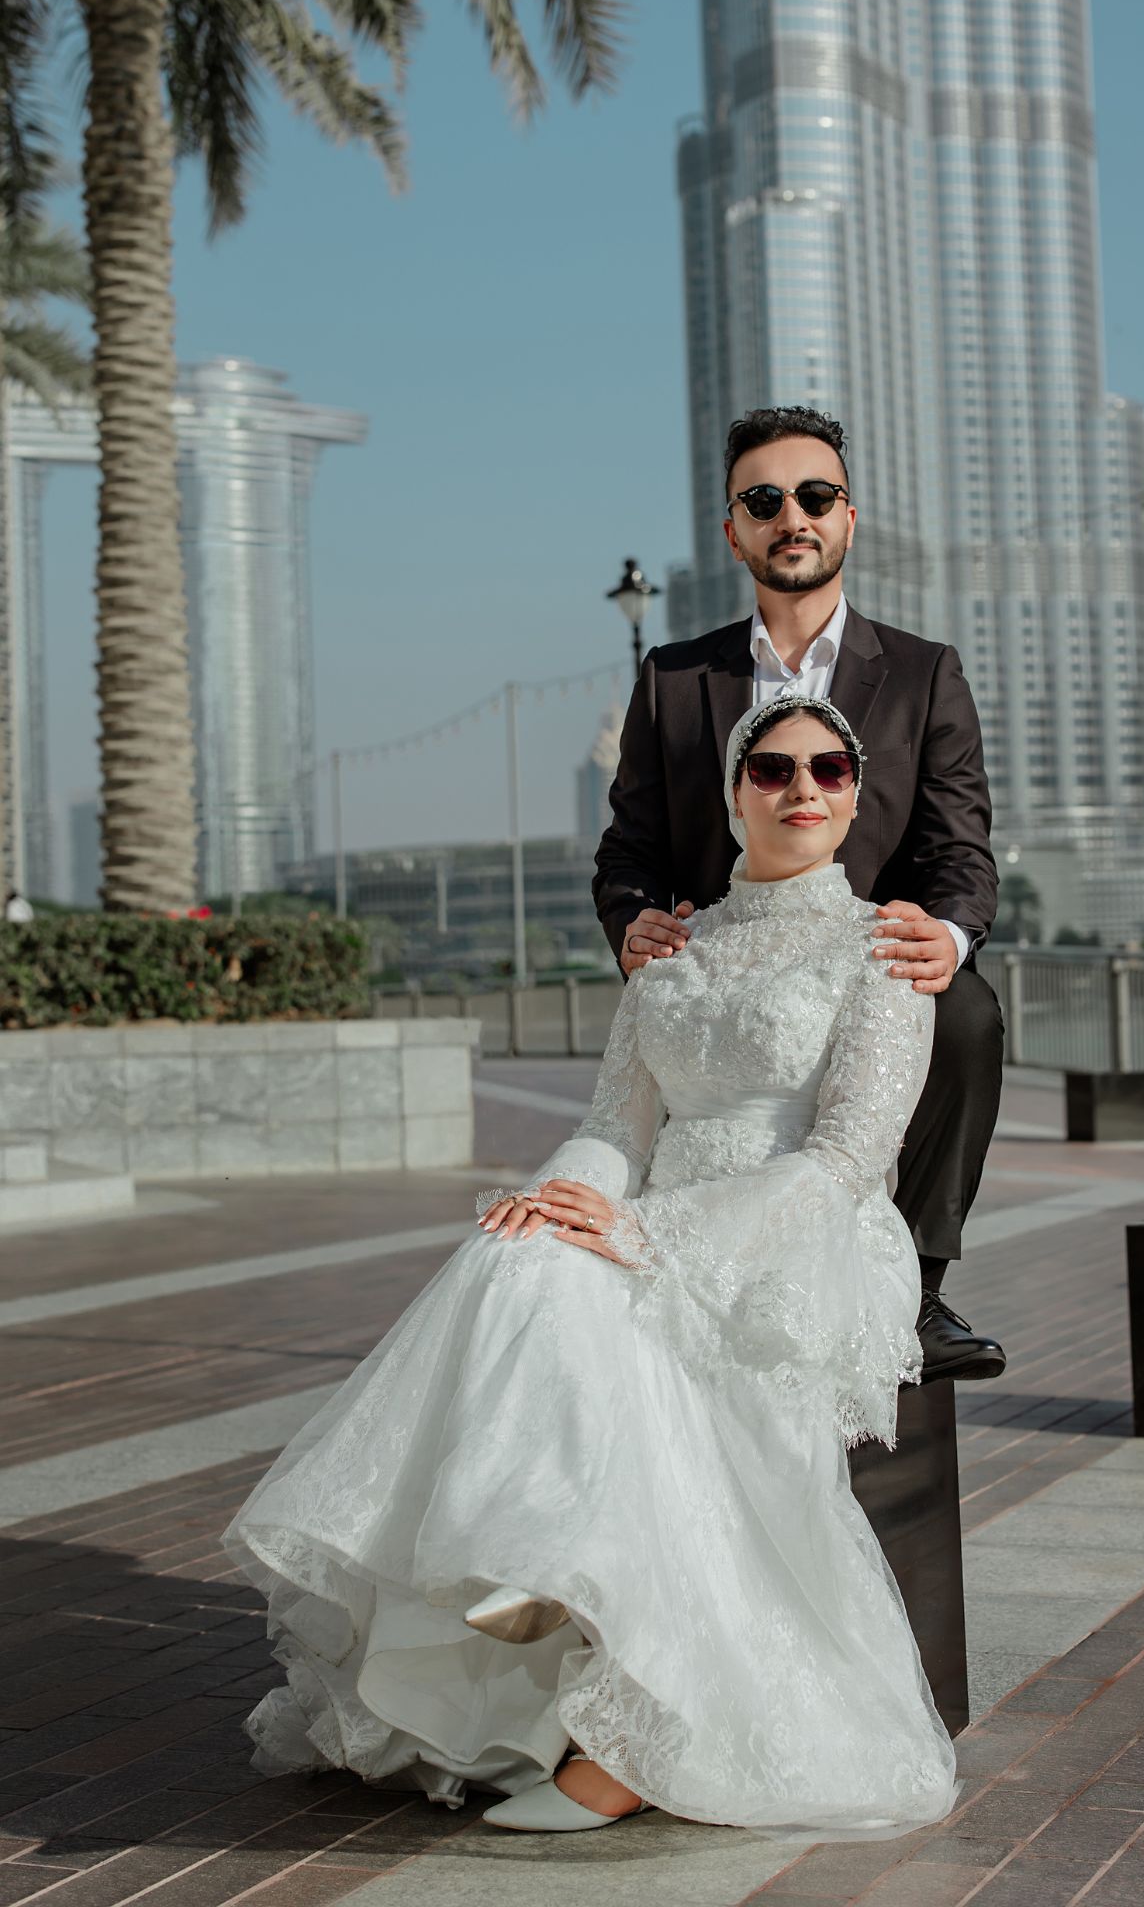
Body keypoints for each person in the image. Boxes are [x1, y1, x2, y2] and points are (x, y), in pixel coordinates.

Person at [223, 696, 956, 1840]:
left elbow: (847, 1158)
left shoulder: (883, 949)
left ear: (856, 793)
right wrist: (553, 1194)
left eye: (827, 767)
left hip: (791, 1238)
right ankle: (525, 1561)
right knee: (515, 1256)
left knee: (634, 1336)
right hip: (650, 1211)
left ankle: (630, 1739)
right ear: (735, 793)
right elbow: (615, 1125)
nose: (801, 788)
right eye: (772, 768)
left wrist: (647, 1235)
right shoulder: (670, 948)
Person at [595, 405, 1005, 1381]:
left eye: (816, 496)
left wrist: (947, 935)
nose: (793, 516)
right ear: (733, 529)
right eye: (765, 500)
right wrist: (632, 919)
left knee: (966, 1014)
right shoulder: (673, 679)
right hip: (728, 957)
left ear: (847, 517)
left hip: (868, 959)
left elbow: (961, 849)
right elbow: (630, 847)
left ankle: (914, 1291)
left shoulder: (923, 673)